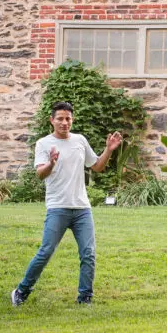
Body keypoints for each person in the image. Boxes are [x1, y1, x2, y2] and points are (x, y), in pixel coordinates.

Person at [11, 102, 122, 307]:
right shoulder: (43, 143)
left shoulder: (80, 140)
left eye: (68, 118)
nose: (64, 122)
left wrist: (108, 150)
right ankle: (21, 290)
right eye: (60, 118)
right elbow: (40, 173)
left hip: (82, 208)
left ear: (72, 119)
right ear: (51, 120)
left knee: (88, 253)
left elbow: (96, 166)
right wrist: (51, 163)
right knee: (45, 251)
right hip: (57, 207)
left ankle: (85, 297)